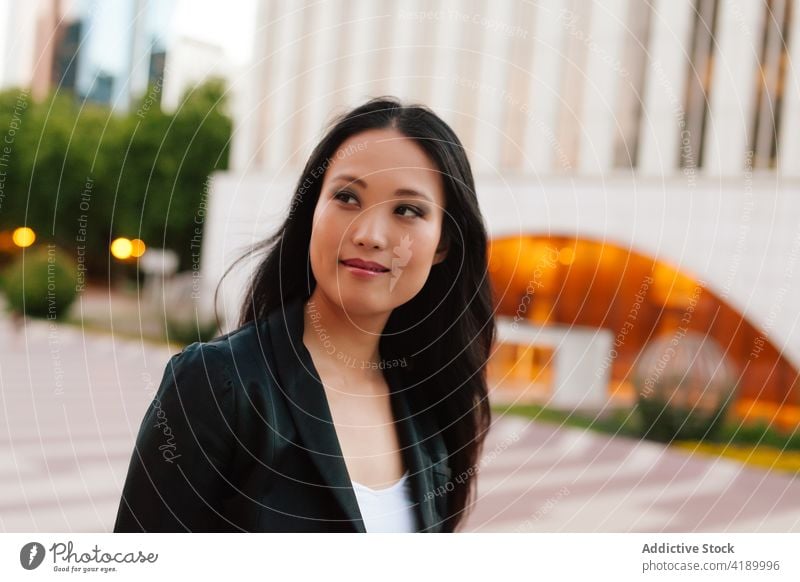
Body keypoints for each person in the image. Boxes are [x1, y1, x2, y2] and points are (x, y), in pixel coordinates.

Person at [113, 96, 495, 533]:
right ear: (313, 211)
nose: (369, 235)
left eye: (407, 210)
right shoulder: (219, 384)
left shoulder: (430, 407)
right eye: (347, 197)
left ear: (443, 243)